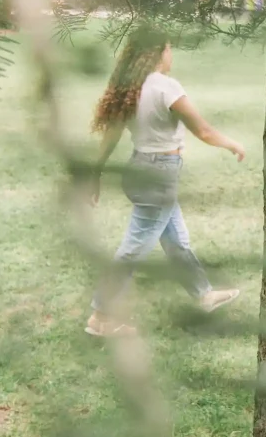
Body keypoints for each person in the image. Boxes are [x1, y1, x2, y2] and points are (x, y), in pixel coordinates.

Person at [84, 25, 245, 337]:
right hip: (160, 174)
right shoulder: (165, 87)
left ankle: (204, 294)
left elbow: (113, 134)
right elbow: (204, 131)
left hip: (140, 168)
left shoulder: (129, 88)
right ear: (159, 52)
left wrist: (96, 172)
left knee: (175, 240)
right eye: (169, 48)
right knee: (133, 250)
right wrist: (232, 144)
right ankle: (101, 316)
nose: (171, 54)